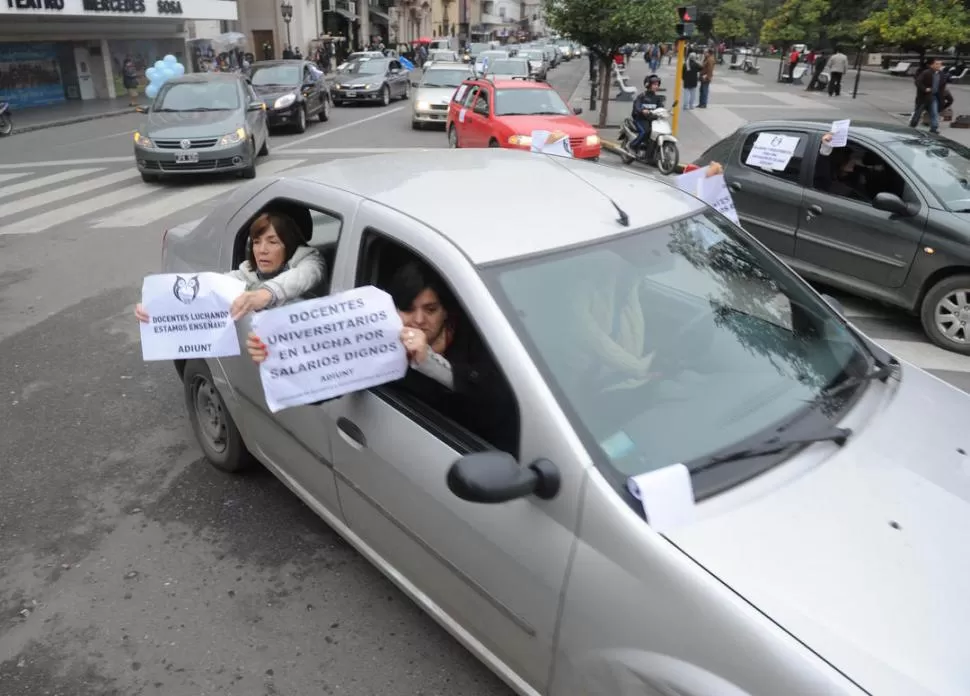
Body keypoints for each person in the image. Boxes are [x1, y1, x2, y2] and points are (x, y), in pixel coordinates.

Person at [246, 259, 517, 453]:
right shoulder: (380, 342)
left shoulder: (478, 335)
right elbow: (323, 386)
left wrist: (431, 363)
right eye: (407, 309)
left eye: (431, 309)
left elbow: (499, 399)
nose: (419, 320)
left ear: (447, 312)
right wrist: (275, 358)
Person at [134, 211, 326, 323]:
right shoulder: (246, 274)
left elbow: (305, 275)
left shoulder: (308, 259)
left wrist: (264, 295)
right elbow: (208, 287)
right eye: (257, 242)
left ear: (289, 245)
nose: (262, 250)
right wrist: (157, 305)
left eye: (273, 242)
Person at [629, 74, 663, 154]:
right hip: (640, 119)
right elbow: (637, 105)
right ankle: (633, 146)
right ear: (648, 85)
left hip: (652, 120)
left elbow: (661, 107)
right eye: (654, 84)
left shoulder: (657, 98)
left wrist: (666, 112)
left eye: (657, 85)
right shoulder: (642, 96)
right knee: (645, 132)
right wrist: (642, 110)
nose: (656, 86)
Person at [910, 58, 946, 133]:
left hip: (934, 97)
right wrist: (925, 89)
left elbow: (942, 86)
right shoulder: (926, 72)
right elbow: (918, 82)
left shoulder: (941, 74)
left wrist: (942, 96)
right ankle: (912, 126)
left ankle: (934, 128)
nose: (938, 65)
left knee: (934, 112)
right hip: (924, 97)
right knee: (918, 112)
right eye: (936, 64)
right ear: (932, 65)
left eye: (940, 64)